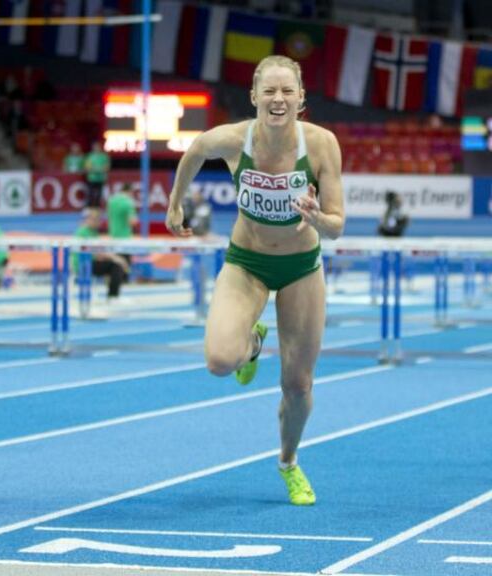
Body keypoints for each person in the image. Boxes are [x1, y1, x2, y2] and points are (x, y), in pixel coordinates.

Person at [166, 55, 344, 507]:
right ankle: (254, 344)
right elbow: (192, 152)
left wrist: (316, 216)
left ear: (301, 98)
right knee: (220, 361)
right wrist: (175, 205)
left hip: (301, 268)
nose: (278, 99)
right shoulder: (232, 138)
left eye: (287, 91)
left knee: (298, 386)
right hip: (246, 261)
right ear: (254, 97)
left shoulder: (322, 145)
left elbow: (338, 225)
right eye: (270, 91)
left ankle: (288, 461)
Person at [74, 208, 129, 301]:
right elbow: (98, 252)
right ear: (88, 219)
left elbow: (100, 250)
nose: (98, 222)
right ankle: (113, 296)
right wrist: (117, 259)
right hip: (84, 264)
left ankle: (112, 294)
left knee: (114, 264)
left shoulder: (93, 232)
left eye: (99, 220)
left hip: (91, 262)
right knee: (116, 266)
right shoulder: (83, 232)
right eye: (95, 220)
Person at [83, 140, 110, 209]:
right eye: (95, 147)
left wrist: (95, 169)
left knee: (99, 195)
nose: (96, 148)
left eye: (98, 147)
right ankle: (89, 209)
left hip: (101, 179)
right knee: (90, 194)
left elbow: (106, 168)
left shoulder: (104, 156)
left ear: (100, 148)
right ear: (93, 148)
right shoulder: (89, 156)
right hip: (91, 178)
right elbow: (87, 168)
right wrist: (98, 169)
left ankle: (97, 209)